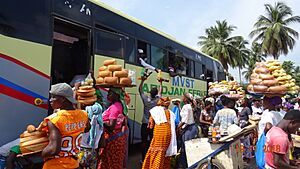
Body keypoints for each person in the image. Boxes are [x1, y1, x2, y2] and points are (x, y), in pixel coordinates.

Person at [42, 83, 88, 169]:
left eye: (53, 97)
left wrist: (41, 153)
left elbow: (54, 149)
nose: (50, 100)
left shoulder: (55, 120)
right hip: (74, 164)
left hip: (55, 165)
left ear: (63, 99)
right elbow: (87, 128)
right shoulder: (83, 115)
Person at [97, 88, 128, 169]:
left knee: (110, 163)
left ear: (116, 95)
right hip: (117, 139)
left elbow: (111, 127)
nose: (108, 95)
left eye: (110, 93)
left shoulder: (114, 107)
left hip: (113, 141)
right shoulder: (118, 105)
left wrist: (100, 121)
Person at [142, 97, 177, 169]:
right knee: (165, 153)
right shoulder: (171, 113)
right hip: (169, 135)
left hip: (159, 135)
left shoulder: (155, 111)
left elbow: (150, 125)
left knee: (156, 152)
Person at [139, 77, 162, 160]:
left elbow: (140, 90)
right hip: (153, 124)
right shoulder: (157, 100)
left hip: (145, 124)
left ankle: (143, 158)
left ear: (150, 93)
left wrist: (142, 81)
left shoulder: (146, 100)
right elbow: (160, 91)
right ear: (155, 94)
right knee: (153, 141)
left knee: (144, 142)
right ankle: (152, 158)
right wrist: (161, 83)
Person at [79, 102, 104, 169]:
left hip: (81, 152)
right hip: (93, 153)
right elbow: (102, 144)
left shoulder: (83, 123)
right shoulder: (101, 126)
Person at [177, 93, 198, 168]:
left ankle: (185, 165)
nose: (182, 97)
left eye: (183, 96)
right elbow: (185, 115)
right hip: (193, 128)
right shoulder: (190, 106)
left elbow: (184, 120)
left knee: (185, 149)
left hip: (188, 130)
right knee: (190, 148)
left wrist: (177, 128)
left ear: (186, 99)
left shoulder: (186, 106)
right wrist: (179, 106)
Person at [239, 98, 252, 163]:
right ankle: (243, 156)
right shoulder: (241, 109)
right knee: (242, 143)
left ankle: (247, 156)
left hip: (245, 127)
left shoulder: (247, 109)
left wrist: (245, 125)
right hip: (240, 127)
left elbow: (249, 118)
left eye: (242, 100)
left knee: (246, 142)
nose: (240, 101)